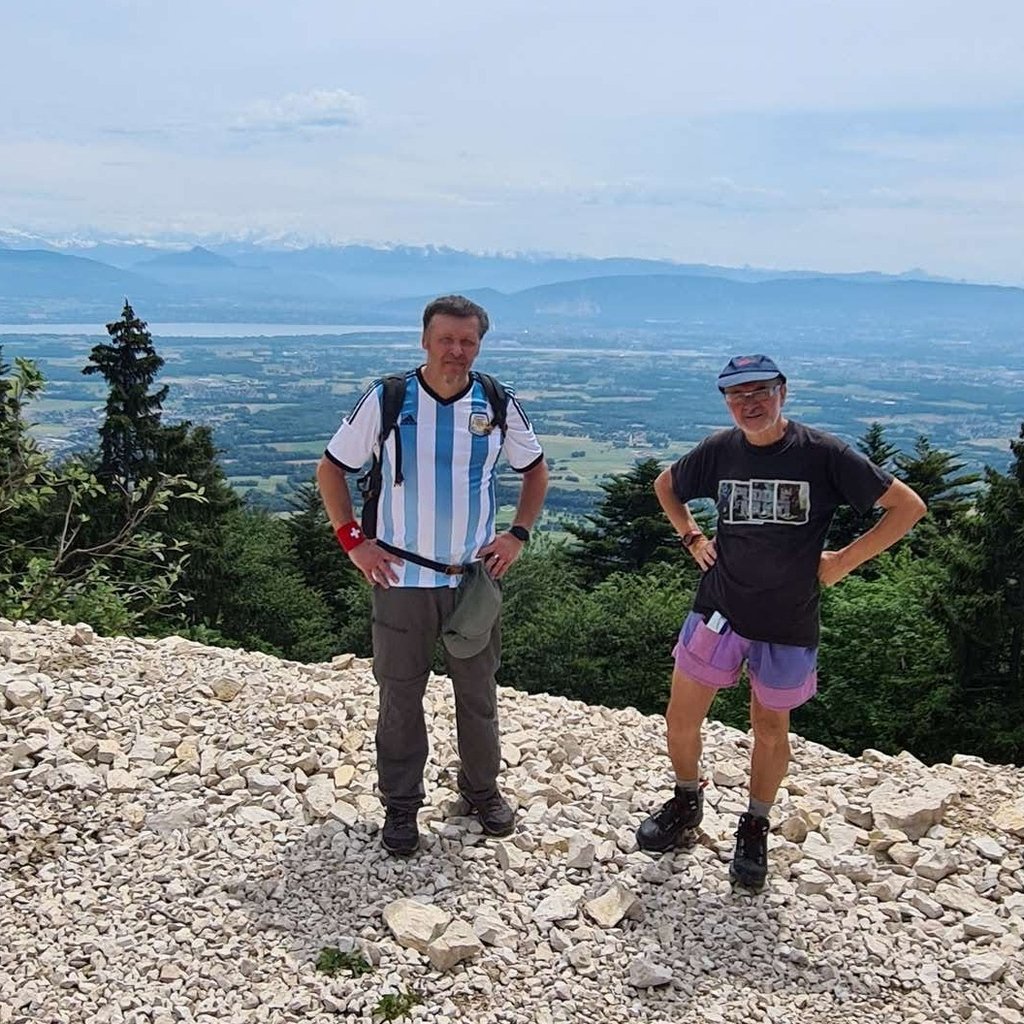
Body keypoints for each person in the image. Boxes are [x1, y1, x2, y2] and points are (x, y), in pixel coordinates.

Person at [636, 354, 926, 889]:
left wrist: (843, 561)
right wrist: (692, 535)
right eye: (736, 395)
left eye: (759, 392)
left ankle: (756, 823)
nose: (749, 403)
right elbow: (666, 485)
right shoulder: (721, 449)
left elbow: (907, 506)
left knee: (770, 730)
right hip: (718, 606)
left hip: (788, 618)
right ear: (726, 401)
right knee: (681, 717)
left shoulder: (822, 454)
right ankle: (685, 802)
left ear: (782, 393)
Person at [316, 295, 548, 856]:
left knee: (478, 693)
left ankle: (481, 790)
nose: (457, 351)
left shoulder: (496, 402)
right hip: (401, 579)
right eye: (446, 339)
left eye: (467, 341)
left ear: (479, 345)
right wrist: (354, 543)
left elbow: (535, 470)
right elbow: (331, 470)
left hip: (471, 579)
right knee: (400, 696)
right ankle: (401, 806)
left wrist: (517, 534)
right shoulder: (389, 399)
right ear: (425, 340)